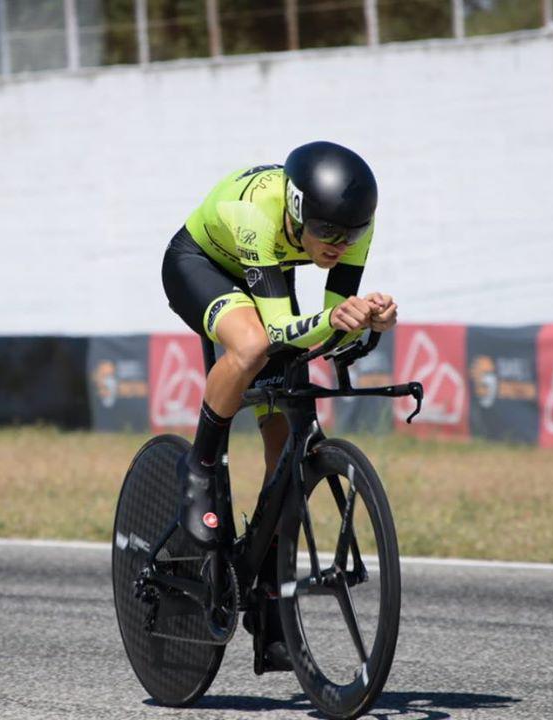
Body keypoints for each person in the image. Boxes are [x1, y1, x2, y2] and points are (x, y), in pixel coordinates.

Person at [160, 140, 398, 670]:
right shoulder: (257, 215)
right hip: (201, 264)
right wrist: (336, 322)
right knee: (249, 347)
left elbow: (331, 332)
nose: (340, 244)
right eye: (327, 232)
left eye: (352, 234)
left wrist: (367, 320)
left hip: (266, 274)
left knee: (285, 449)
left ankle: (268, 603)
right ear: (295, 211)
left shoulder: (354, 222)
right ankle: (198, 466)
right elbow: (275, 332)